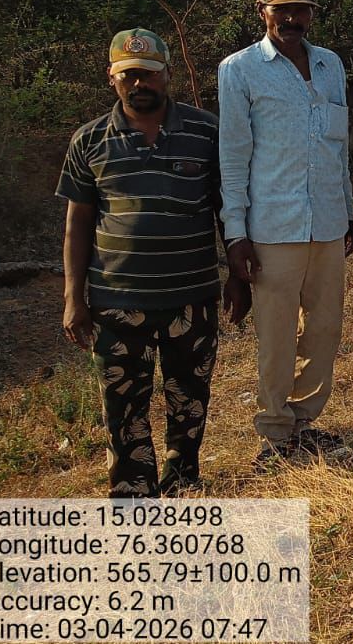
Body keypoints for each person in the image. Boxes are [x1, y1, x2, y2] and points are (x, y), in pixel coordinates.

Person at [59, 29, 245, 496]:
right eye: (129, 75)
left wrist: (237, 276)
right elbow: (78, 224)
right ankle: (133, 497)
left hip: (191, 298)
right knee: (122, 408)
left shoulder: (206, 132)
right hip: (117, 301)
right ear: (112, 78)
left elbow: (227, 208)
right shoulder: (89, 140)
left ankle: (183, 484)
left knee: (190, 401)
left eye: (149, 74)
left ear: (168, 75)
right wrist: (73, 298)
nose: (140, 84)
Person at [219, 0, 353, 467]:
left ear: (312, 14)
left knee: (325, 329)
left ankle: (304, 422)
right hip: (273, 228)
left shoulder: (329, 64)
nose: (292, 19)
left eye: (301, 10)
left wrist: (347, 210)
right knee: (276, 336)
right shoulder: (239, 70)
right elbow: (233, 157)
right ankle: (275, 433)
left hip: (327, 221)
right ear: (263, 12)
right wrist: (235, 234)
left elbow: (337, 147)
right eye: (282, 10)